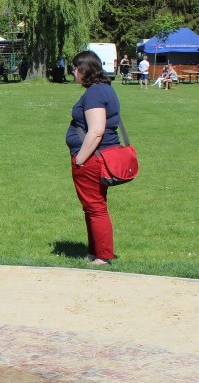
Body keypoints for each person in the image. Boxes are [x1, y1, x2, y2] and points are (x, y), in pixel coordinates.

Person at [65, 50, 122, 266]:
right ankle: (94, 251)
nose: (73, 71)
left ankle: (103, 256)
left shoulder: (95, 94)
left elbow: (96, 130)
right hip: (98, 156)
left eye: (75, 67)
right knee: (93, 205)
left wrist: (81, 158)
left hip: (92, 158)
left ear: (83, 70)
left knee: (96, 207)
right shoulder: (104, 90)